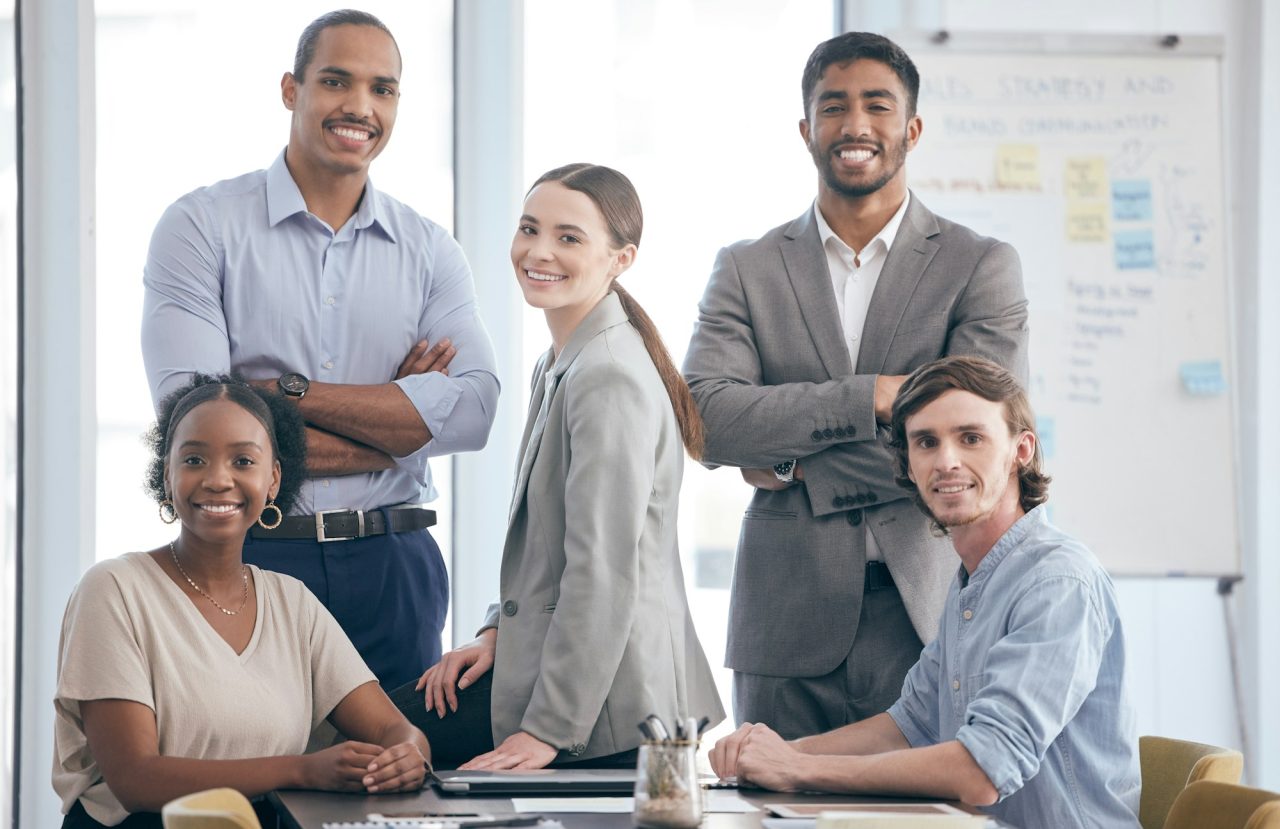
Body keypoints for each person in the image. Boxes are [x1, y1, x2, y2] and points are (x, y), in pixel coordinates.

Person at [681, 31, 1029, 738]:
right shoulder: (747, 268)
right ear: (807, 128)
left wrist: (789, 462)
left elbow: (973, 444)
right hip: (784, 625)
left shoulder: (980, 265)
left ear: (912, 128)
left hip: (930, 613)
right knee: (770, 808)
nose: (856, 124)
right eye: (833, 106)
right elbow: (706, 419)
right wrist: (868, 397)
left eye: (878, 104)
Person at [140, 9, 499, 689]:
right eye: (336, 81)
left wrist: (281, 398)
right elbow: (196, 424)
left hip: (397, 566)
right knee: (253, 778)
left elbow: (474, 413)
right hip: (255, 555)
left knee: (395, 780)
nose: (360, 106)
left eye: (382, 88)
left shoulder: (430, 251)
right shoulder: (202, 227)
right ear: (290, 89)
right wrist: (402, 422)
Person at [710, 356, 1140, 829]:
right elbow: (909, 726)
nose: (946, 461)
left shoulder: (1056, 583)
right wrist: (770, 755)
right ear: (908, 466)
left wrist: (799, 770)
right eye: (926, 442)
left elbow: (983, 772)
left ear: (1021, 451)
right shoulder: (973, 583)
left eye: (971, 438)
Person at [391, 164, 725, 769]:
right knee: (370, 745)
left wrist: (548, 730)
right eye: (529, 228)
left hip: (611, 705)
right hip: (564, 670)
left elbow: (603, 570)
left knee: (371, 753)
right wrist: (497, 632)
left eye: (569, 237)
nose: (538, 251)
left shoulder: (609, 376)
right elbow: (550, 549)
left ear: (620, 258)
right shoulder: (565, 360)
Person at [53, 376, 432, 829]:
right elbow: (135, 778)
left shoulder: (292, 602)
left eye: (243, 460)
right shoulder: (114, 589)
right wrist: (301, 770)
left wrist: (407, 754)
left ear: (272, 479)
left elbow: (394, 730)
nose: (217, 479)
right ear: (166, 474)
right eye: (194, 459)